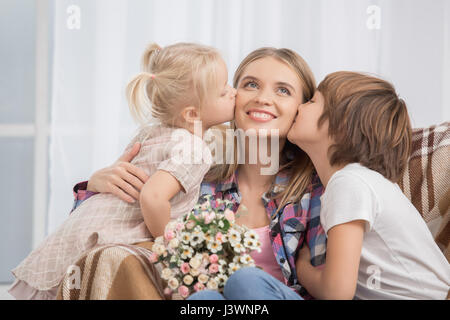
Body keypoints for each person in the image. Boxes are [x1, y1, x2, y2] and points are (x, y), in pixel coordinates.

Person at [52, 47, 328, 300]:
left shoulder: (313, 190)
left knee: (244, 283)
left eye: (283, 91)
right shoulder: (196, 173)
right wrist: (98, 186)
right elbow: (105, 229)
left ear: (301, 109)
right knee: (201, 299)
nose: (262, 98)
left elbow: (330, 285)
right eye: (251, 84)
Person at [9, 42, 236, 300]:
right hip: (103, 240)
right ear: (192, 113)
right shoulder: (195, 149)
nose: (233, 93)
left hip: (77, 236)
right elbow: (152, 198)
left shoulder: (152, 132)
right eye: (223, 91)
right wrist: (173, 248)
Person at [289, 71, 450, 299]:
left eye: (312, 101)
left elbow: (336, 294)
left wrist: (302, 267)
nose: (299, 106)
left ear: (341, 125)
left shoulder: (349, 183)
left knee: (248, 282)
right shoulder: (362, 181)